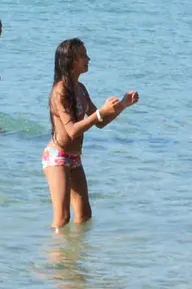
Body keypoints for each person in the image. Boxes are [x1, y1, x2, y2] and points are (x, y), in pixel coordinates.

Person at [43, 38, 138, 229]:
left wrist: (123, 105)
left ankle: (75, 249)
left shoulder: (81, 89)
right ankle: (53, 248)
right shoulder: (60, 91)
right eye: (83, 55)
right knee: (62, 218)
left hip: (74, 158)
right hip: (57, 156)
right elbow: (72, 131)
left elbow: (99, 122)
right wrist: (100, 112)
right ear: (71, 60)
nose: (88, 59)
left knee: (84, 215)